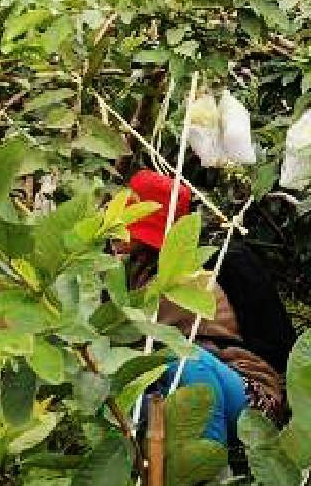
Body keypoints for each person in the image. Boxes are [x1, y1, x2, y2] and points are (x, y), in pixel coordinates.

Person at [122, 169, 294, 441]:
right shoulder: (132, 271)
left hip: (249, 392)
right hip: (172, 385)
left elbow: (278, 344)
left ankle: (209, 473)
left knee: (185, 362)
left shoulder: (212, 267)